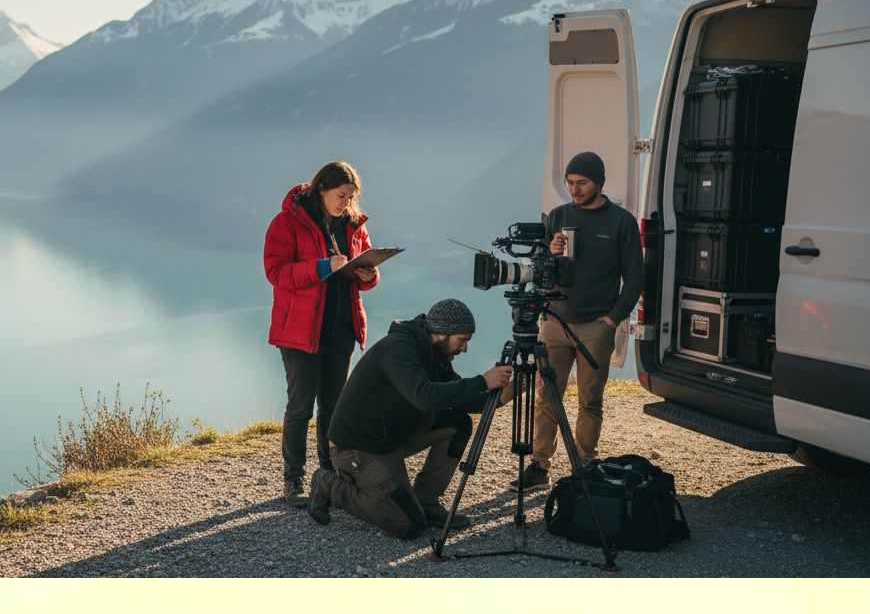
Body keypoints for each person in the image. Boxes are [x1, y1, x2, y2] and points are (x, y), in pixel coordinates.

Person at [307, 299, 513, 538]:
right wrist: (481, 381)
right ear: (442, 333)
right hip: (357, 449)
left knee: (457, 423)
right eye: (462, 340)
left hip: (390, 437)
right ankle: (329, 485)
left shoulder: (436, 355)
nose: (465, 348)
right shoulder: (399, 349)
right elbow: (424, 397)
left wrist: (509, 392)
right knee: (408, 525)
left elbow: (464, 401)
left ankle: (426, 502)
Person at [508, 151, 643, 492]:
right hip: (554, 320)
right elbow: (539, 269)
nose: (574, 189)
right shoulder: (558, 215)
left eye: (581, 183)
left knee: (590, 400)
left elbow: (636, 278)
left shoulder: (621, 222)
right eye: (569, 183)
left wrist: (613, 319)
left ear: (599, 182)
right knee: (546, 395)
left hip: (595, 326)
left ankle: (585, 466)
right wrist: (549, 252)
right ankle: (539, 467)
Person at [263, 161, 380, 507]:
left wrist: (368, 275)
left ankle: (328, 474)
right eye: (340, 195)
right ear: (322, 189)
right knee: (301, 407)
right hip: (299, 331)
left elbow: (368, 274)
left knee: (334, 406)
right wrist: (322, 267)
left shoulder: (354, 224)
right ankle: (293, 479)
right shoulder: (287, 222)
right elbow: (277, 273)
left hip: (342, 327)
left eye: (350, 197)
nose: (345, 202)